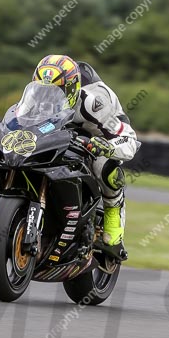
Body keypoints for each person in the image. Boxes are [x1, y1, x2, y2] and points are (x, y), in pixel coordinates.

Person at [32, 54, 139, 260]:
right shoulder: (35, 98)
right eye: (43, 90)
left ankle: (112, 219)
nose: (48, 97)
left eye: (57, 92)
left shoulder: (93, 103)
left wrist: (106, 146)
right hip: (59, 130)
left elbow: (129, 139)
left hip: (99, 133)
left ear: (71, 89)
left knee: (105, 167)